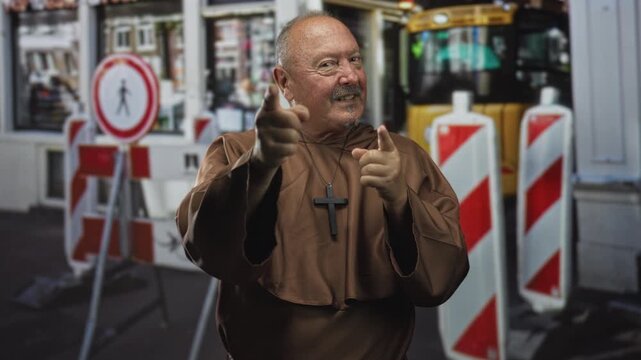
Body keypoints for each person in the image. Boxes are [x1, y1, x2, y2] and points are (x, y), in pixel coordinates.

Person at [176, 11, 469, 360]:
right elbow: (210, 248)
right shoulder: (237, 151)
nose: (350, 76)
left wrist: (400, 202)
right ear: (285, 83)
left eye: (355, 59)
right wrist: (259, 168)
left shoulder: (400, 156)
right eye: (328, 65)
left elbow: (443, 276)